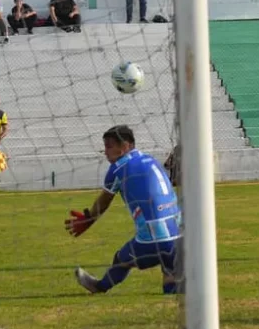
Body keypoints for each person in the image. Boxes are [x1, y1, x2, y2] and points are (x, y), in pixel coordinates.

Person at [65, 125, 182, 294]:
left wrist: (88, 219)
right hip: (179, 234)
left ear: (125, 146)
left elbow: (103, 203)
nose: (105, 152)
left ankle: (100, 286)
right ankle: (172, 292)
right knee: (170, 266)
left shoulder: (118, 169)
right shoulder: (151, 159)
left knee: (121, 259)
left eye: (109, 146)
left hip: (154, 238)